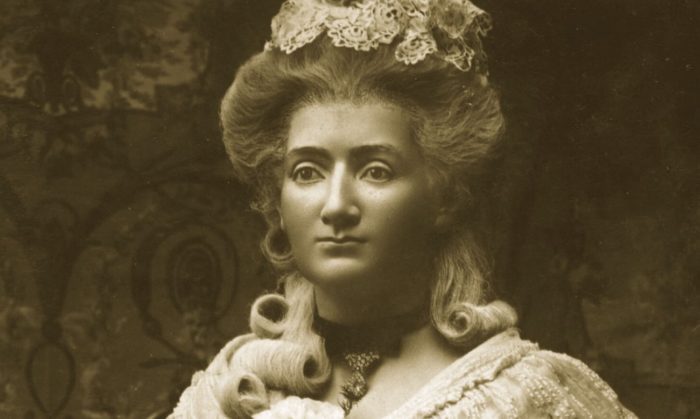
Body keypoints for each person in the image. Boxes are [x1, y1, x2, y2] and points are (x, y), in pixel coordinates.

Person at [169, 0, 636, 417]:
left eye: (375, 171)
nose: (336, 206)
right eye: (307, 172)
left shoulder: (519, 397)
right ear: (278, 197)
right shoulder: (228, 393)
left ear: (443, 196)